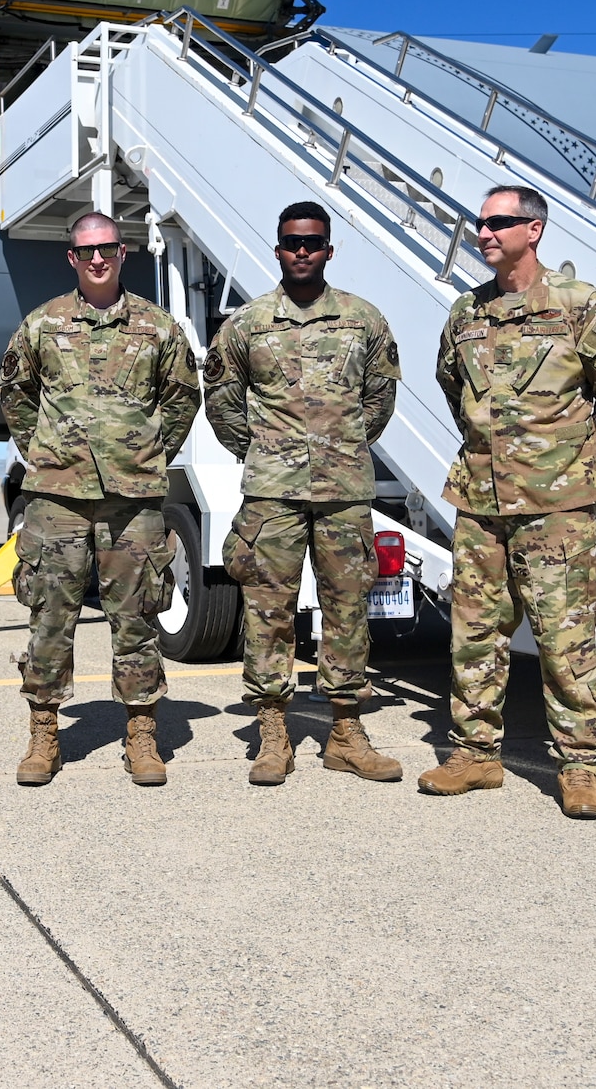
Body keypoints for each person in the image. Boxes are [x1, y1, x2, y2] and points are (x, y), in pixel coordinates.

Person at [419, 185, 596, 818]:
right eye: (480, 223)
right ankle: (475, 755)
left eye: (498, 222)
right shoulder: (466, 312)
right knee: (474, 630)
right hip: (481, 502)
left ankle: (578, 766)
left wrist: (581, 460)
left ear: (534, 230)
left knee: (563, 636)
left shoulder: (579, 305)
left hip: (557, 505)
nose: (484, 232)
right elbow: (451, 384)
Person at [203, 200, 403, 785]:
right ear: (278, 248)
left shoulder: (364, 320)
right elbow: (221, 401)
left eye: (312, 242)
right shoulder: (247, 324)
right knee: (268, 611)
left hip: (343, 490)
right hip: (272, 494)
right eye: (292, 242)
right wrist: (261, 452)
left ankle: (345, 731)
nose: (302, 251)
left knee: (348, 608)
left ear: (329, 250)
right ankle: (273, 732)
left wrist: (342, 446)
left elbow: (380, 398)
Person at [0, 212, 200, 786]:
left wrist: (144, 452)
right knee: (50, 615)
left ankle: (141, 735)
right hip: (57, 495)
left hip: (132, 498)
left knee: (135, 616)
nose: (96, 259)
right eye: (86, 250)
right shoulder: (42, 324)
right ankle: (44, 736)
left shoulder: (157, 328)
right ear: (71, 257)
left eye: (107, 248)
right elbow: (16, 395)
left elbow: (183, 398)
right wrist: (46, 449)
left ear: (122, 252)